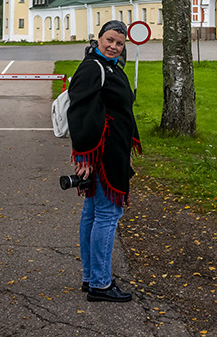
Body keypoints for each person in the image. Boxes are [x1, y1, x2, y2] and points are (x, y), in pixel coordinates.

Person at [67, 20, 141, 303]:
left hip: (111, 150)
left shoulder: (111, 67)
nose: (113, 46)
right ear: (98, 39)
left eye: (119, 43)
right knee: (107, 215)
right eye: (109, 40)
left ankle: (91, 278)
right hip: (102, 154)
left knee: (93, 214)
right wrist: (83, 155)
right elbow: (80, 112)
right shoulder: (92, 67)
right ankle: (100, 283)